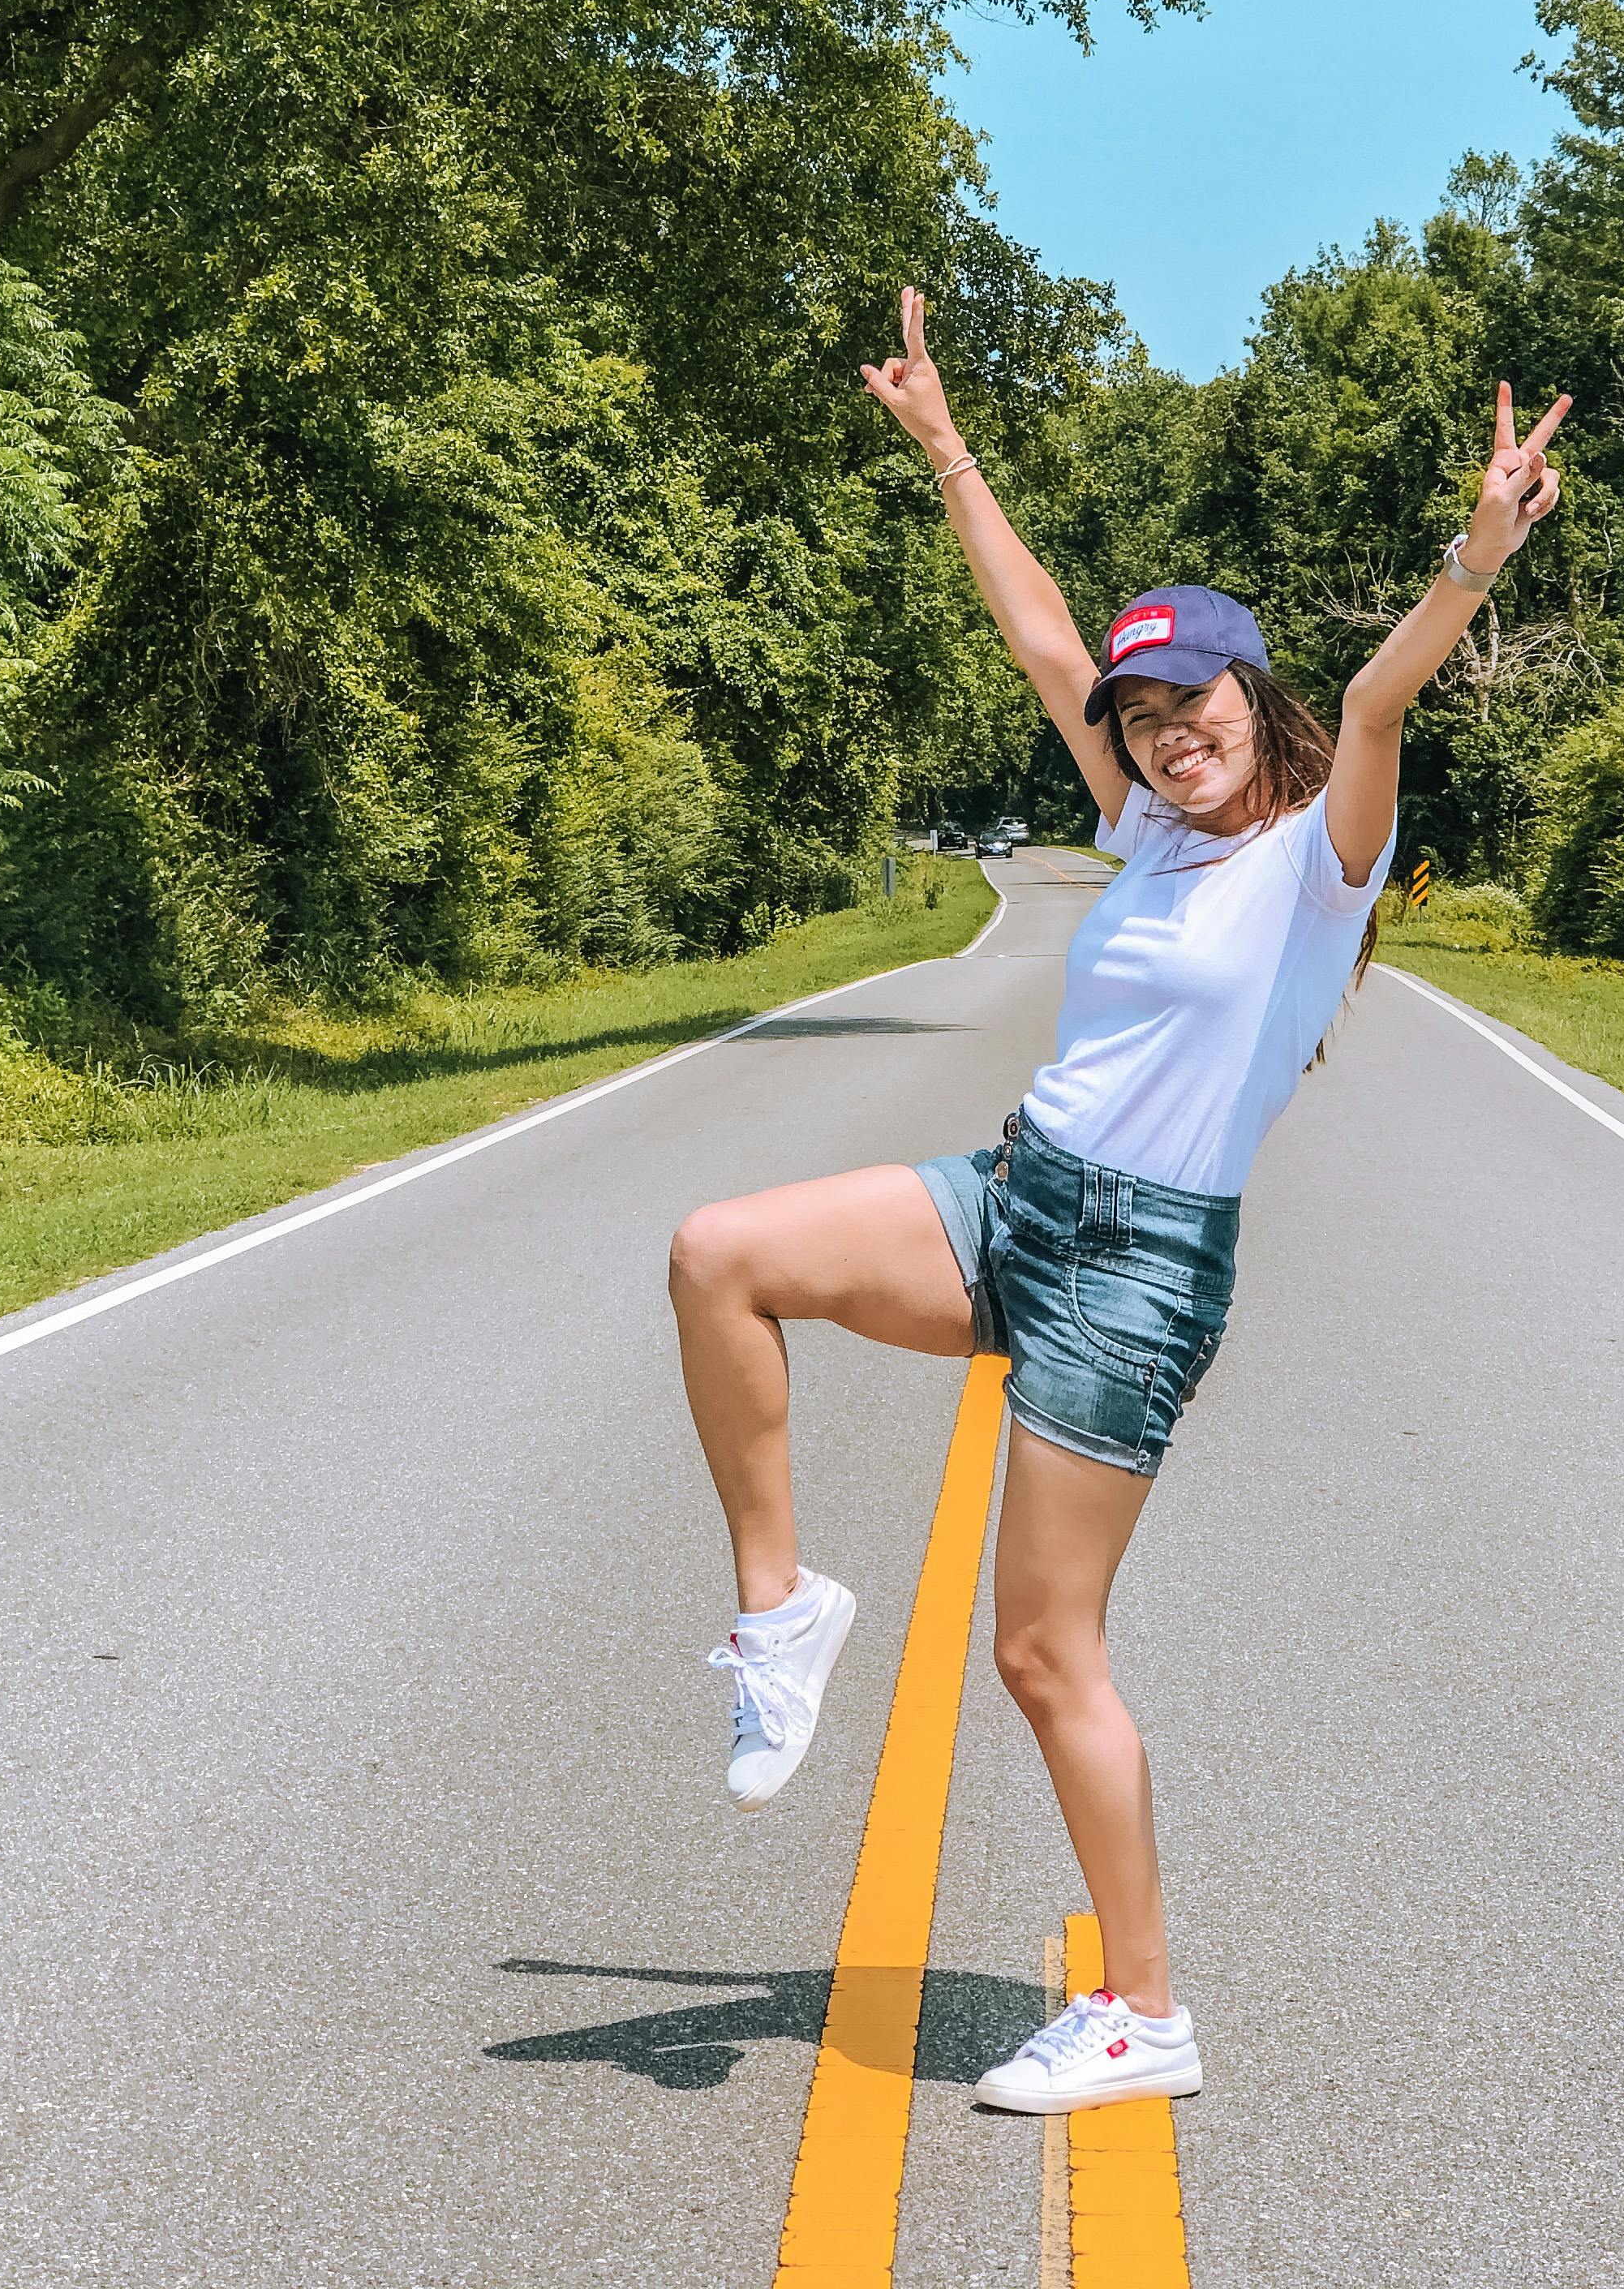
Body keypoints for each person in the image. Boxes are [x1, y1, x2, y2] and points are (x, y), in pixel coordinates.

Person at [668, 288, 1566, 2112]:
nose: (1168, 735)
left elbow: (1388, 690)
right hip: (1019, 1198)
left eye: (1196, 704)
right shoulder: (1149, 833)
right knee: (719, 1257)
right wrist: (943, 447)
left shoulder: (1326, 861)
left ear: (1257, 701)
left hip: (1140, 1273)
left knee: (1037, 1647)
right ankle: (782, 1610)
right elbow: (1036, 635)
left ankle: (1144, 2010)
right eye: (1142, 715)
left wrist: (1474, 559)